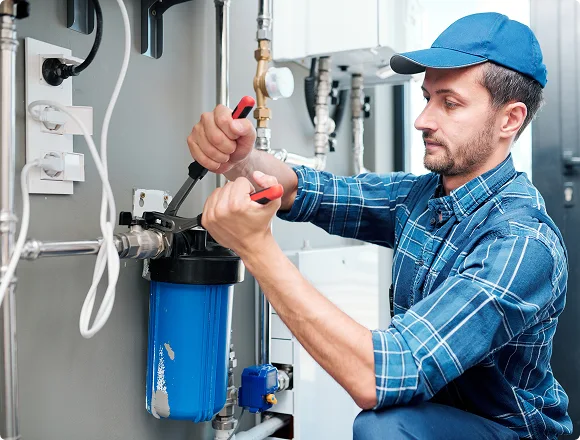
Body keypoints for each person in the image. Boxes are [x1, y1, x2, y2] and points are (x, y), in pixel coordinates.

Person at [187, 12, 572, 440]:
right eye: (427, 98)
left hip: (509, 433)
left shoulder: (522, 244)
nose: (423, 119)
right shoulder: (423, 197)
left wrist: (257, 250)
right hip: (437, 417)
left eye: (449, 103)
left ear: (510, 119)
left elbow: (383, 377)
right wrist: (238, 159)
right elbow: (306, 189)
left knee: (384, 428)